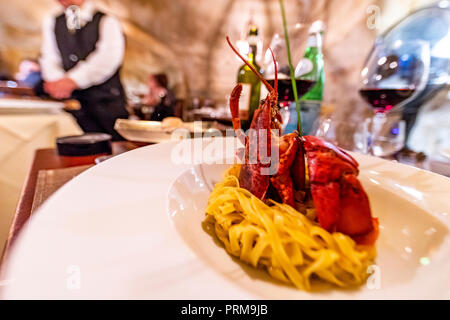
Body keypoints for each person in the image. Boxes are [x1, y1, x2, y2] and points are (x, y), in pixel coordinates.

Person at [40, 0, 128, 140]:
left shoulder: (107, 20)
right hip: (74, 107)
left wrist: (72, 80)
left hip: (106, 105)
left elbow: (107, 58)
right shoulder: (53, 22)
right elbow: (49, 56)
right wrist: (57, 81)